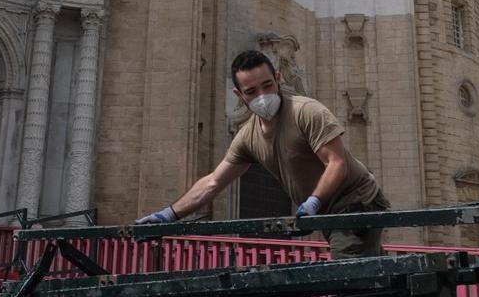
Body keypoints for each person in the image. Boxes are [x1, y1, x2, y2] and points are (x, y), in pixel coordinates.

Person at [134, 50, 390, 257]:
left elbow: (337, 163)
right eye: (252, 91)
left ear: (278, 78)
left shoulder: (307, 112)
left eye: (267, 85)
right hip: (329, 212)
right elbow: (213, 182)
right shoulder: (248, 136)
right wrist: (168, 215)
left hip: (355, 200)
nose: (263, 96)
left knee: (348, 275)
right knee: (373, 271)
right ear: (239, 95)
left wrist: (313, 202)